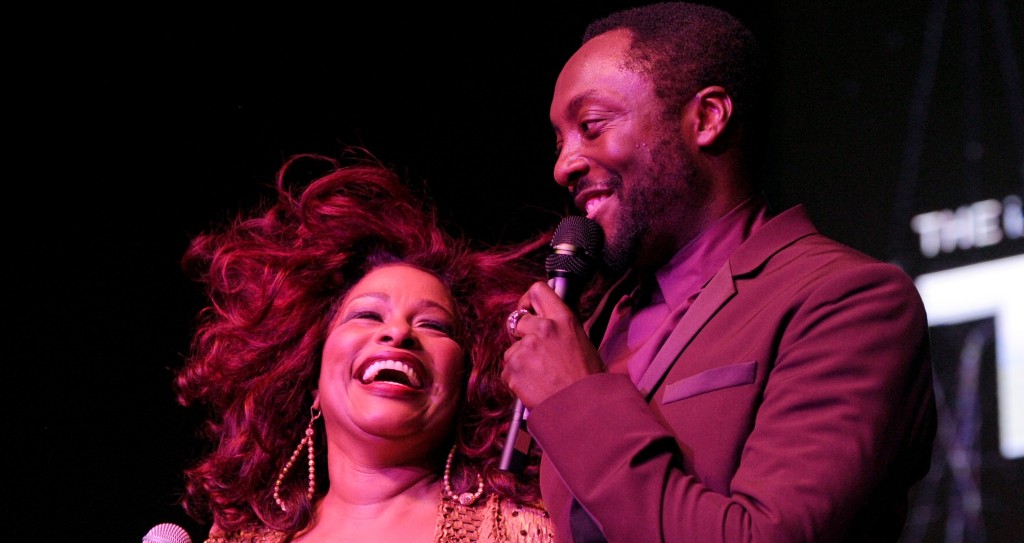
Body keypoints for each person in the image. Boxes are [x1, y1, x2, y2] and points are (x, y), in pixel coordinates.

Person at [500, 3, 937, 542]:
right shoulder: (600, 324)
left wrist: (575, 397)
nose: (563, 165)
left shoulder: (848, 300)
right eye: (560, 140)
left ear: (707, 118)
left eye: (590, 126)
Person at [174, 149, 556, 542]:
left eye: (433, 325)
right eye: (368, 315)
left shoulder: (525, 530)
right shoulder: (238, 539)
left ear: (467, 384)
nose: (399, 333)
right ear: (311, 382)